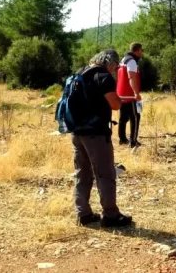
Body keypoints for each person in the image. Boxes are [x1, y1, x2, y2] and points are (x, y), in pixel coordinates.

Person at [72, 50, 133, 228]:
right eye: (115, 65)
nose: (115, 69)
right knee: (105, 173)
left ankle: (83, 214)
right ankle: (111, 215)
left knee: (81, 173)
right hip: (96, 134)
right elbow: (114, 104)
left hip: (77, 132)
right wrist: (120, 100)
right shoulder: (103, 77)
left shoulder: (80, 73)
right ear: (109, 62)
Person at [116, 43, 144, 147]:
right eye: (141, 50)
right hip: (130, 94)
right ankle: (133, 141)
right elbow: (131, 77)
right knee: (135, 116)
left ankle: (122, 139)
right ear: (137, 51)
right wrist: (136, 93)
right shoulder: (132, 61)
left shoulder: (124, 59)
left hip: (121, 93)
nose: (142, 52)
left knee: (123, 117)